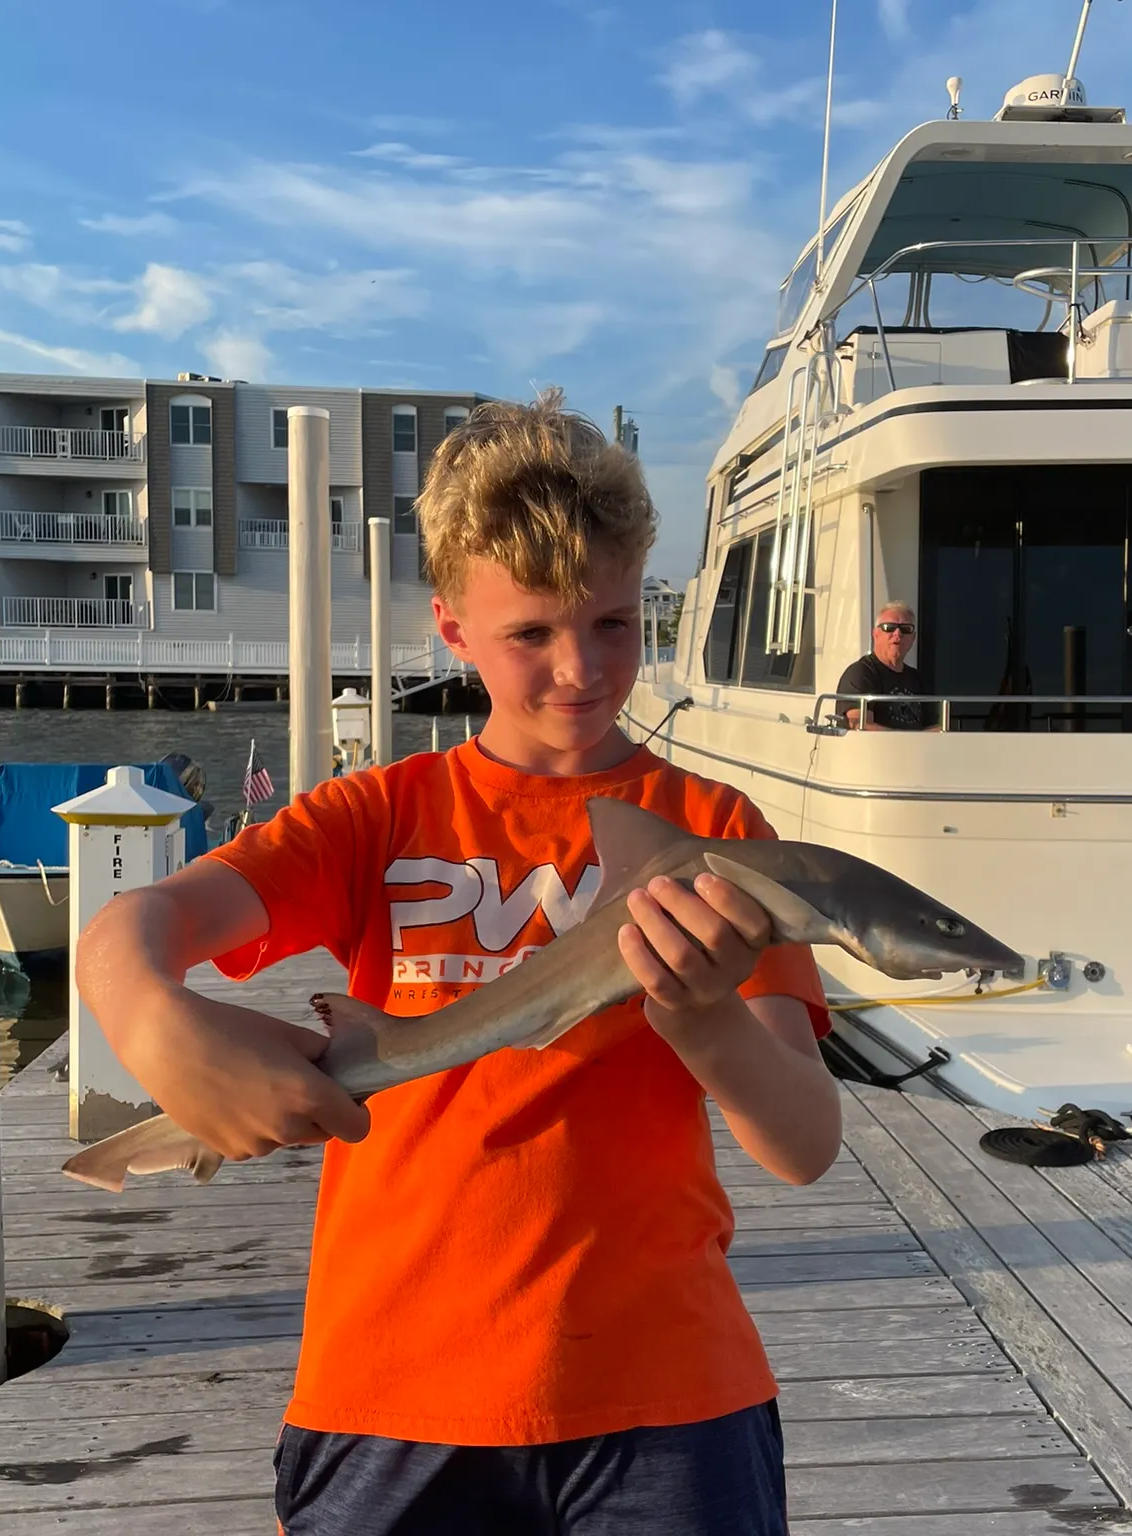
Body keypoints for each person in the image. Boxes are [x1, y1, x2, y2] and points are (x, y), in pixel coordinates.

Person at [74, 390, 840, 1536]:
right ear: (451, 628)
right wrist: (150, 1017)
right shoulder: (376, 817)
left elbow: (805, 1144)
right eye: (530, 633)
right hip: (391, 1385)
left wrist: (704, 1016)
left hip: (669, 1388)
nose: (579, 669)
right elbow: (130, 931)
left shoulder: (712, 828)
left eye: (617, 624)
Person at [836, 602, 930, 730]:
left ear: (913, 638)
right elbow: (859, 725)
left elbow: (935, 727)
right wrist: (908, 741)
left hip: (918, 749)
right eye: (889, 627)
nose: (898, 634)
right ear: (875, 634)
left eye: (906, 629)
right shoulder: (860, 673)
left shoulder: (917, 678)